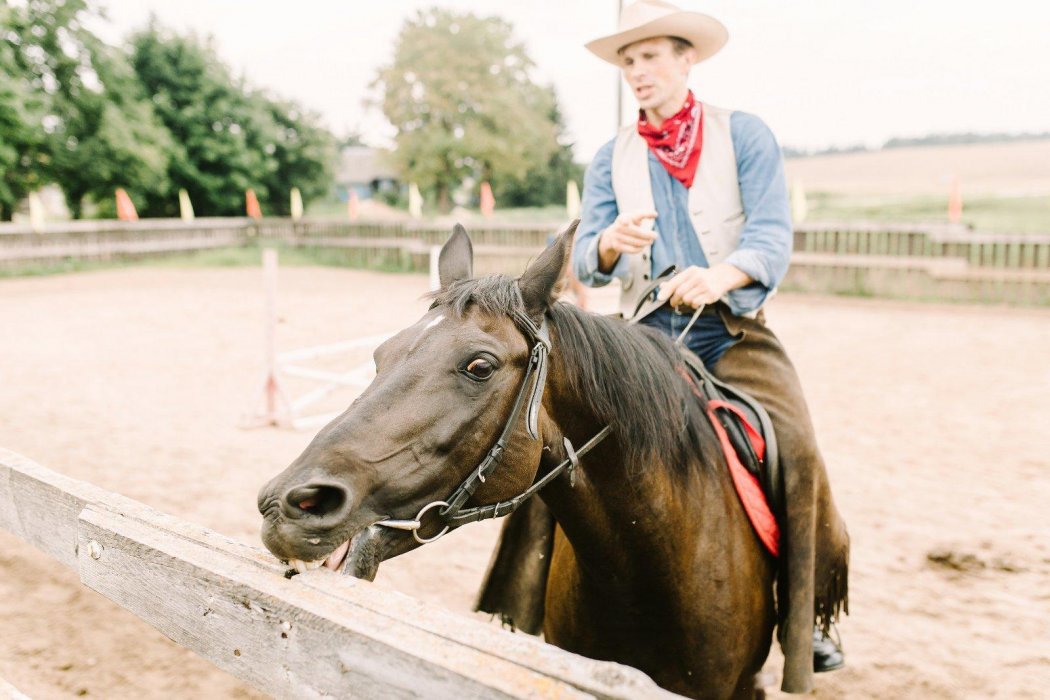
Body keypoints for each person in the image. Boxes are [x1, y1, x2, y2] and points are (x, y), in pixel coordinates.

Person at [573, 0, 849, 692]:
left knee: (799, 447)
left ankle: (805, 617)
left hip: (731, 328)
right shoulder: (611, 157)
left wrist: (720, 275)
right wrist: (610, 242)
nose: (637, 72)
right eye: (627, 62)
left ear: (685, 58)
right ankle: (517, 605)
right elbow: (584, 258)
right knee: (558, 437)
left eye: (649, 57)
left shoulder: (744, 134)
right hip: (641, 334)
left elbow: (772, 237)